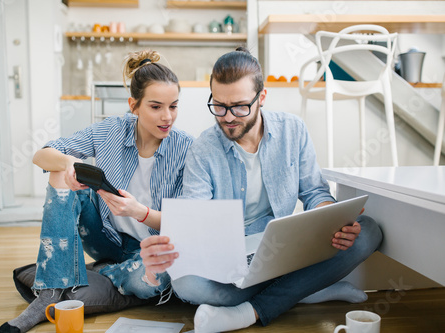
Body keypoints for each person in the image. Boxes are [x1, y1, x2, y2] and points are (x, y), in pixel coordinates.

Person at [140, 47, 383, 332]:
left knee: (368, 232)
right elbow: (195, 212)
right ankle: (307, 288)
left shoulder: (293, 130)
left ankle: (250, 310)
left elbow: (315, 192)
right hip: (234, 255)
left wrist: (332, 220)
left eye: (240, 106)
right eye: (219, 106)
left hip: (285, 245)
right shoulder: (203, 148)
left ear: (262, 98)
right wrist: (174, 241)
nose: (228, 117)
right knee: (186, 285)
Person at [0, 49, 193, 333]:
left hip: (149, 249)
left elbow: (186, 222)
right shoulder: (110, 130)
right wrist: (69, 164)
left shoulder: (186, 147)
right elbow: (42, 155)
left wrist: (139, 212)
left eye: (173, 106)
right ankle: (50, 293)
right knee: (59, 173)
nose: (167, 117)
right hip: (105, 238)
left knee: (158, 279)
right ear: (134, 106)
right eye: (156, 107)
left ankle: (97, 272)